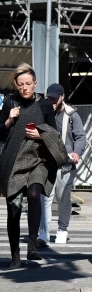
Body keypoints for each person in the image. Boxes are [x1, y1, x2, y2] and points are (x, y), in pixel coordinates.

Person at [0, 64, 68, 270]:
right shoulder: (10, 103)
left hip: (38, 159)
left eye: (28, 84)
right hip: (14, 160)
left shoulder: (44, 105)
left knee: (35, 194)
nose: (25, 88)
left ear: (35, 84)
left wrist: (41, 135)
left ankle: (32, 245)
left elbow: (54, 132)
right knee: (14, 209)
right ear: (16, 85)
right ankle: (15, 257)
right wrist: (10, 119)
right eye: (21, 84)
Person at [37, 83, 86, 246]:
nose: (51, 101)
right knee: (45, 198)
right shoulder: (42, 111)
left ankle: (62, 229)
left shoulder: (72, 115)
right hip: (46, 163)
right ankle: (43, 231)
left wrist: (77, 152)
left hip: (65, 165)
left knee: (63, 199)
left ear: (62, 97)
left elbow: (80, 137)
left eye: (55, 98)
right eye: (49, 97)